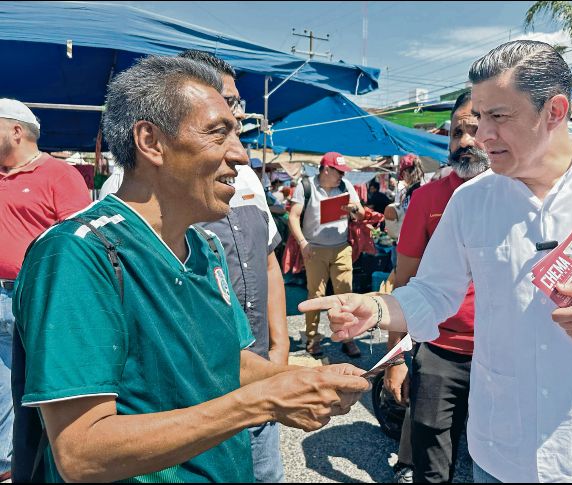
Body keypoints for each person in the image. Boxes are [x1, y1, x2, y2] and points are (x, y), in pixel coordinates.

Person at [299, 40, 572, 483]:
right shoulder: (471, 201)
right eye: (478, 117)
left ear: (555, 111)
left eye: (498, 116)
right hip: (502, 452)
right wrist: (378, 309)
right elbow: (434, 292)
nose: (480, 136)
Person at [12, 55, 368, 483]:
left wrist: (304, 379)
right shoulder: (77, 254)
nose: (240, 154)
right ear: (151, 142)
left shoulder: (206, 248)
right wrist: (264, 402)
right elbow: (81, 452)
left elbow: (223, 362)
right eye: (219, 133)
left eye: (238, 133)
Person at [178, 49, 289, 483]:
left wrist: (280, 349)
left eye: (237, 105)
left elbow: (268, 262)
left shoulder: (245, 177)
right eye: (226, 102)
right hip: (196, 390)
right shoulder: (134, 199)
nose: (236, 115)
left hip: (258, 367)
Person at [386, 91, 489, 483]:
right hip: (440, 354)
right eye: (455, 132)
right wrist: (396, 359)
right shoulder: (427, 198)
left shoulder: (519, 196)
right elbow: (404, 282)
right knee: (431, 468)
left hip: (500, 355)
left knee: (496, 464)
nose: (463, 141)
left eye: (474, 130)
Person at [0, 99, 91, 481]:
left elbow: (77, 241)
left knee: (33, 383)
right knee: (4, 386)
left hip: (34, 296)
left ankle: (28, 463)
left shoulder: (60, 174)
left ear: (16, 131)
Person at [287, 152, 366, 357]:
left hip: (341, 248)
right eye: (339, 171)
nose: (342, 175)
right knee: (316, 295)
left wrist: (354, 209)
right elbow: (293, 217)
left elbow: (361, 214)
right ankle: (312, 339)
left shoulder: (346, 186)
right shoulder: (306, 186)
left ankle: (347, 337)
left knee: (346, 296)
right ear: (326, 170)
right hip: (315, 249)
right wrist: (303, 243)